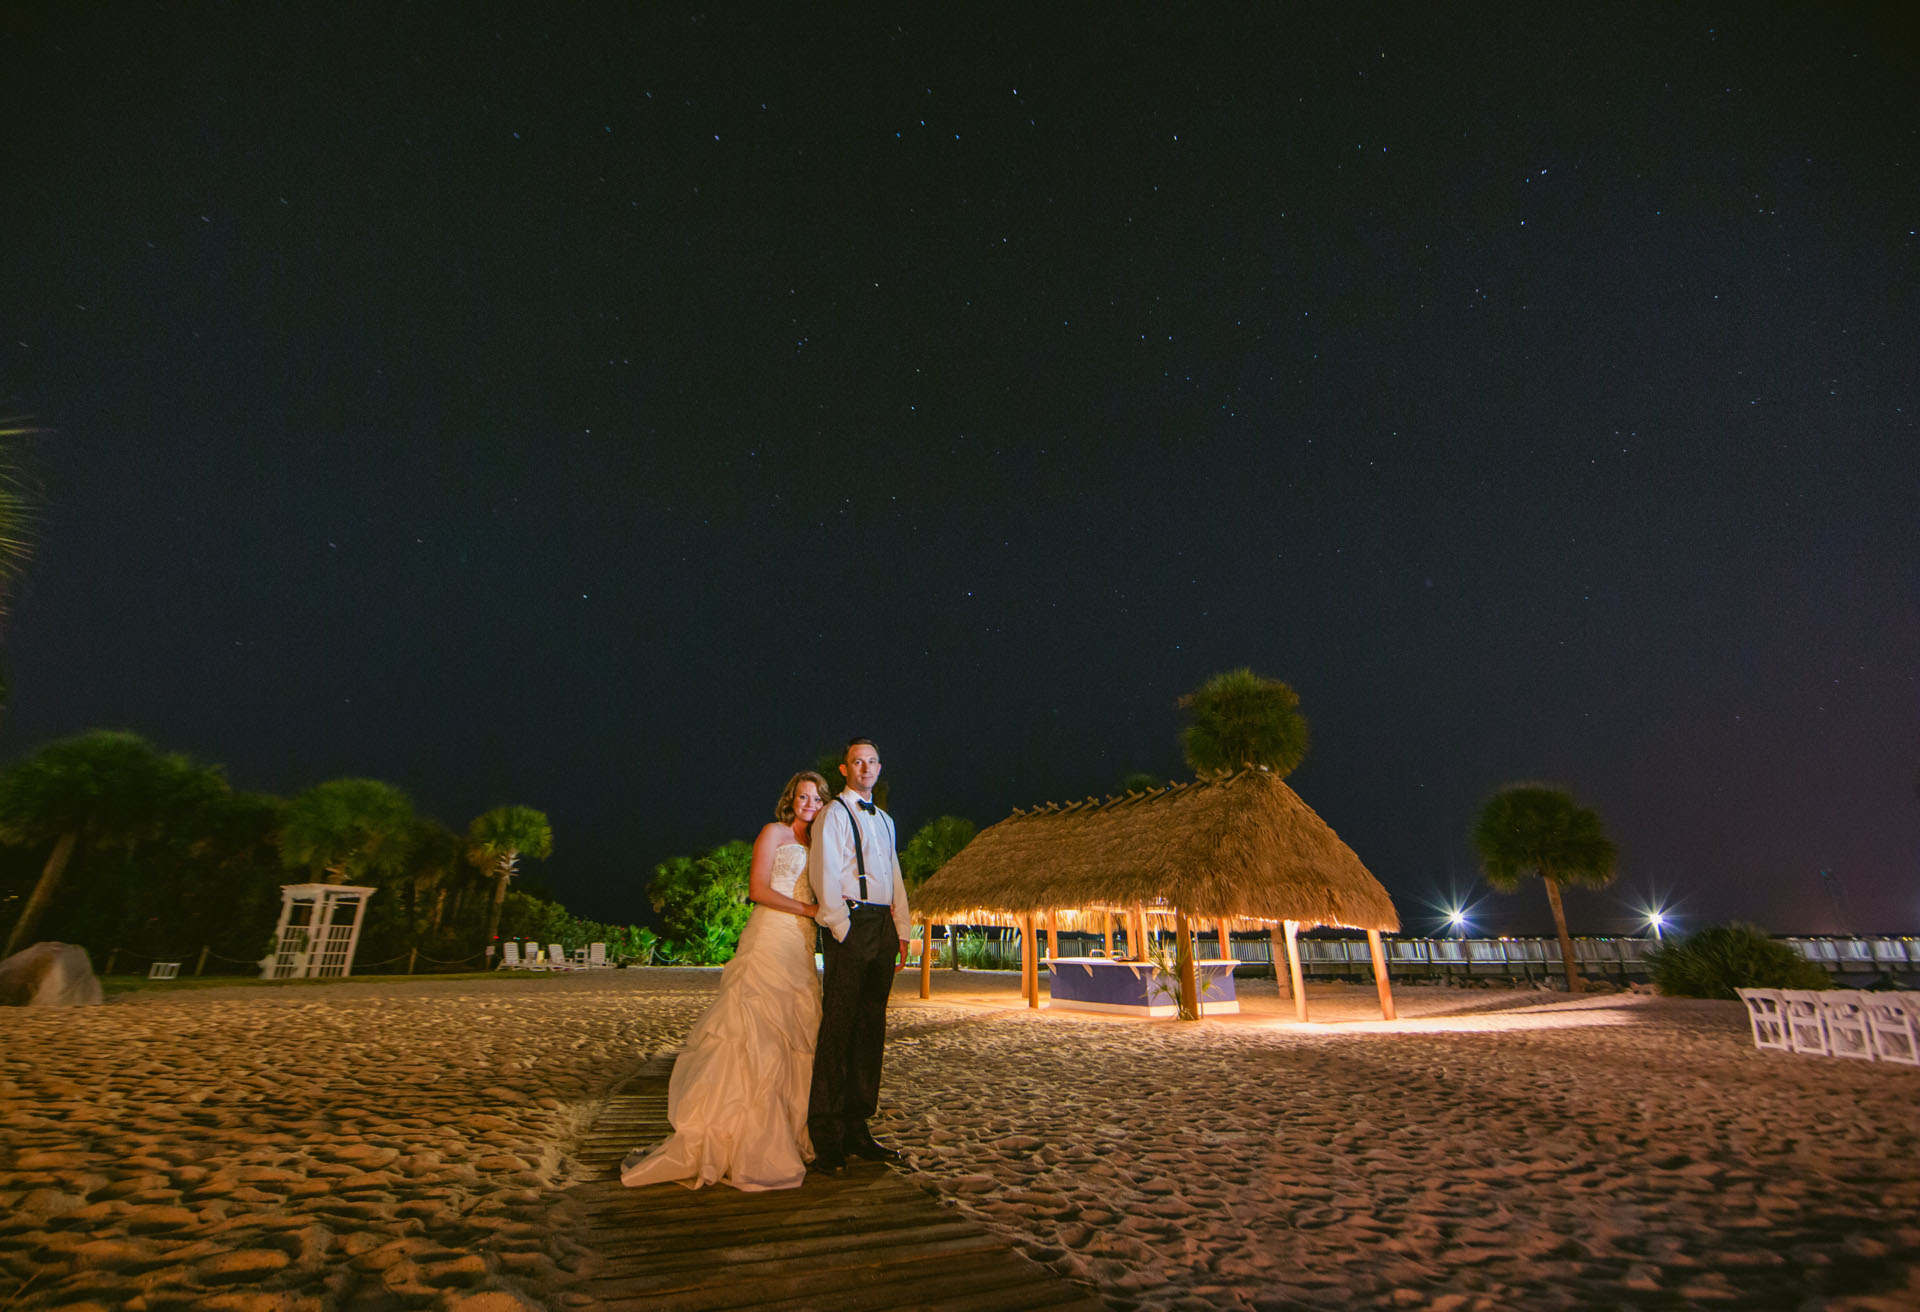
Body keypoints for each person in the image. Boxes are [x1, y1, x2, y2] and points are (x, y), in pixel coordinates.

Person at [620, 771, 827, 1192]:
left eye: (817, 798)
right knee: (753, 1031)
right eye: (802, 796)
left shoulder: (818, 845)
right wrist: (808, 911)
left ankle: (786, 1132)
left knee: (794, 1033)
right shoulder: (774, 832)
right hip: (771, 935)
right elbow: (757, 890)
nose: (809, 803)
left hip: (801, 947)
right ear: (791, 799)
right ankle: (739, 1133)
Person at [806, 738, 911, 1171]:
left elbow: (895, 874)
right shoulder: (833, 814)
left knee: (871, 1028)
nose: (865, 768)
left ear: (879, 768)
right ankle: (827, 1135)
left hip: (882, 928)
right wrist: (840, 926)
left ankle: (858, 1128)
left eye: (871, 762)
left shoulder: (885, 820)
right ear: (844, 769)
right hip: (849, 924)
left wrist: (902, 929)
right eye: (857, 762)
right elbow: (823, 871)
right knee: (839, 1027)